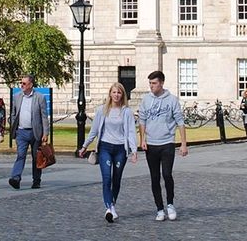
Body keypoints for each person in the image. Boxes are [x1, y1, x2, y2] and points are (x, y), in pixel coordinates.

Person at [79, 83, 139, 223]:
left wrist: (134, 150)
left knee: (116, 179)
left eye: (119, 93)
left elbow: (131, 132)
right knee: (107, 178)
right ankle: (108, 208)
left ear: (122, 95)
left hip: (120, 149)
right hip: (105, 147)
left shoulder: (126, 112)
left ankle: (112, 205)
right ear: (110, 94)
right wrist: (84, 146)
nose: (116, 95)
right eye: (114, 92)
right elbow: (94, 130)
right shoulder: (102, 110)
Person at [138, 70, 188, 221]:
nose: (151, 86)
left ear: (161, 83)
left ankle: (170, 204)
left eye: (154, 83)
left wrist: (184, 144)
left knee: (167, 174)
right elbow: (142, 120)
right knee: (154, 177)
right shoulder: (146, 100)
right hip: (151, 144)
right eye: (150, 83)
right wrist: (142, 139)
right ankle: (159, 208)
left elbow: (180, 121)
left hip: (167, 142)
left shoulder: (172, 100)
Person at [9, 75, 51, 189]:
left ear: (30, 85)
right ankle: (16, 178)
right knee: (20, 155)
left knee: (35, 157)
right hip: (21, 132)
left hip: (35, 132)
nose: (21, 85)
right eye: (21, 83)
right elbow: (13, 114)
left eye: (24, 83)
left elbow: (44, 117)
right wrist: (14, 128)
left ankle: (36, 180)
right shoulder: (17, 96)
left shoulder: (39, 97)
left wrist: (45, 133)